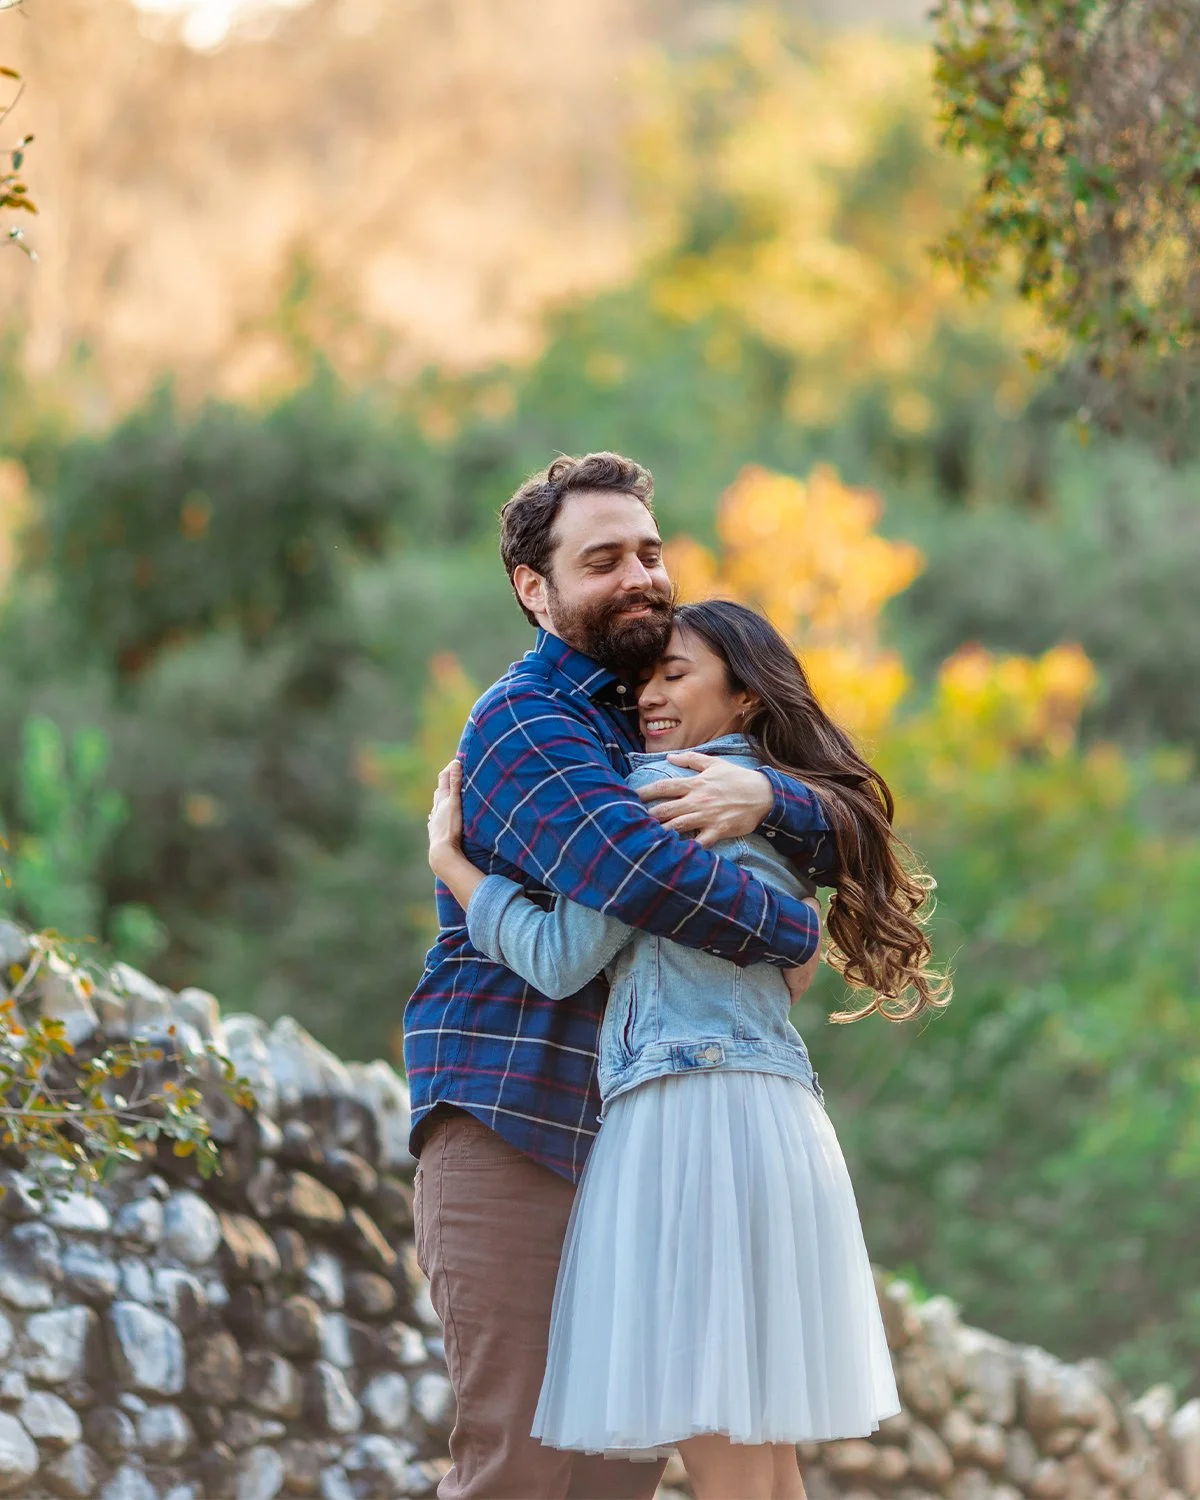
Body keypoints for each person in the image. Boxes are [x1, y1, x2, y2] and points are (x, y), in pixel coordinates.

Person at [427, 598, 950, 1500]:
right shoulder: (774, 810)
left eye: (677, 677)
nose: (650, 699)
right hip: (773, 1120)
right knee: (764, 1462)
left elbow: (558, 958)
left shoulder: (661, 793)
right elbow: (806, 919)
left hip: (691, 1120)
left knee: (720, 1439)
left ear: (744, 697)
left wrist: (452, 865)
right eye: (643, 682)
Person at [404, 453, 835, 1500]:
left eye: (650, 551)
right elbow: (632, 875)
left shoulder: (656, 713)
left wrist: (771, 803)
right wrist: (788, 929)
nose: (641, 575)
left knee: (611, 1480)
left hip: (643, 1138)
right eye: (604, 560)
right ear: (534, 589)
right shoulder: (529, 721)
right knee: (524, 1465)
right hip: (517, 1120)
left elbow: (852, 812)